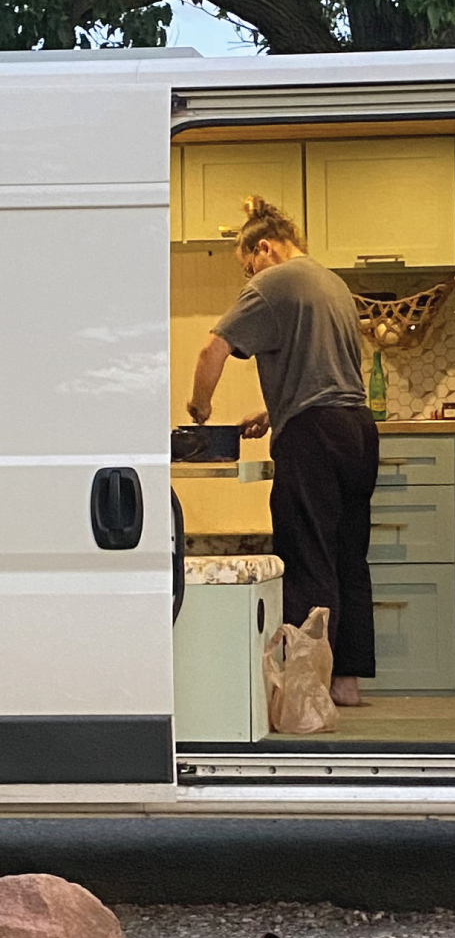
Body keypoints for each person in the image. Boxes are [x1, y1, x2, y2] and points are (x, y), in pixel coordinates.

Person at [187, 195, 378, 707]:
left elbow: (213, 349)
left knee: (307, 554)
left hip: (313, 436)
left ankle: (308, 690)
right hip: (357, 430)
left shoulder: (272, 282)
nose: (248, 278)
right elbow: (331, 375)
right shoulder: (331, 282)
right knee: (347, 557)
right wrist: (273, 412)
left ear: (264, 248)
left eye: (248, 265)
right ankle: (346, 683)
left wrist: (199, 407)